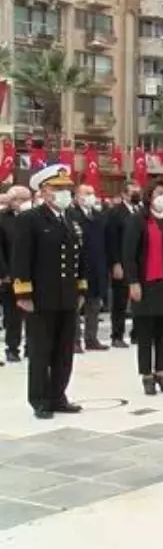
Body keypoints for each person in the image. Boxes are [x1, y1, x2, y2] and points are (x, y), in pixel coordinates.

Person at [12, 165, 87, 419]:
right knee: (41, 351)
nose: (64, 192)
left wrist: (80, 289)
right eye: (58, 188)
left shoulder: (70, 220)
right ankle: (40, 399)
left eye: (67, 188)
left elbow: (79, 259)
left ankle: (58, 395)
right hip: (41, 298)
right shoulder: (30, 219)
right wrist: (23, 294)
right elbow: (21, 259)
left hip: (66, 296)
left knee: (64, 351)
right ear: (44, 191)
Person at [124, 180, 163, 395]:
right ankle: (147, 375)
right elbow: (129, 254)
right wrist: (133, 281)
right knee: (145, 333)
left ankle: (160, 372)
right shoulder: (139, 219)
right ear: (149, 196)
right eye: (160, 193)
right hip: (146, 283)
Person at [69, 183, 109, 351]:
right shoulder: (71, 215)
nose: (91, 196)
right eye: (87, 193)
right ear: (78, 196)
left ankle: (91, 338)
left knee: (94, 303)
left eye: (93, 192)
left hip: (97, 265)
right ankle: (75, 340)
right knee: (77, 304)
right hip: (79, 266)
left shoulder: (99, 216)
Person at [105, 182, 141, 348]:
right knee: (120, 300)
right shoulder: (115, 213)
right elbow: (111, 240)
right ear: (125, 194)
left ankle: (137, 333)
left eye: (138, 192)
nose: (136, 195)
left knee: (138, 299)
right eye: (133, 192)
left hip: (138, 262)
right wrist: (115, 263)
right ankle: (117, 335)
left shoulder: (140, 211)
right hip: (121, 260)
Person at [0, 187, 30, 362]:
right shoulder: (3, 219)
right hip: (11, 274)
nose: (24, 203)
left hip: (32, 274)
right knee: (13, 315)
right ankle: (12, 348)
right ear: (12, 201)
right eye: (20, 199)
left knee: (32, 313)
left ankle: (30, 347)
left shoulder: (33, 218)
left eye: (27, 199)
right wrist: (4, 273)